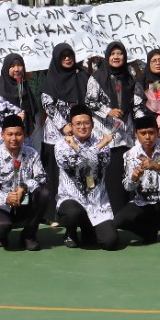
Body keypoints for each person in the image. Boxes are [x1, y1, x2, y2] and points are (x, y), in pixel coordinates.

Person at [0, 114, 46, 250]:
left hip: (23, 202)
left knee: (43, 194)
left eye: (18, 134)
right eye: (9, 134)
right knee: (1, 227)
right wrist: (6, 198)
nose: (14, 138)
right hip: (0, 205)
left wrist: (23, 188)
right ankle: (0, 235)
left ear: (24, 135)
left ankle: (28, 235)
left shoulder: (32, 154)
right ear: (2, 135)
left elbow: (41, 178)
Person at [54, 105, 117, 249]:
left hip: (97, 203)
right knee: (73, 213)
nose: (82, 127)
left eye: (86, 123)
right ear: (70, 126)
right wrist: (98, 146)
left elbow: (97, 163)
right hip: (72, 199)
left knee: (111, 242)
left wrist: (77, 148)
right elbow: (75, 165)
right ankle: (70, 232)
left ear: (92, 124)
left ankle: (88, 229)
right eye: (78, 123)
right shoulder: (61, 145)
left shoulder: (103, 144)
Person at [90, 41, 140, 209]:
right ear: (107, 57)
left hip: (126, 135)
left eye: (119, 54)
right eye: (112, 54)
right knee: (110, 174)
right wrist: (108, 111)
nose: (116, 57)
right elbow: (90, 101)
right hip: (106, 135)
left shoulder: (129, 77)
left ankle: (126, 209)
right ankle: (110, 209)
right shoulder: (97, 77)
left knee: (125, 172)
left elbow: (137, 102)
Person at [116, 112, 160, 246]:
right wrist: (134, 178)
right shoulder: (130, 154)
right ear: (136, 134)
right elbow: (127, 187)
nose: (148, 137)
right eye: (143, 133)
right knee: (119, 220)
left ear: (158, 132)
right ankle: (149, 232)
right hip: (145, 202)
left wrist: (157, 166)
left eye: (151, 132)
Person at [39, 44, 87, 189]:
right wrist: (63, 125)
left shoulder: (81, 75)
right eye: (63, 56)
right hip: (55, 135)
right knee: (55, 174)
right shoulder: (51, 78)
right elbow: (48, 104)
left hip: (78, 133)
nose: (67, 58)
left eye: (70, 55)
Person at [0, 52, 38, 135]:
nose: (17, 69)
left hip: (24, 134)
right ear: (6, 68)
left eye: (19, 65)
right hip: (8, 136)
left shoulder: (24, 86)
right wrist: (15, 117)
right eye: (12, 66)